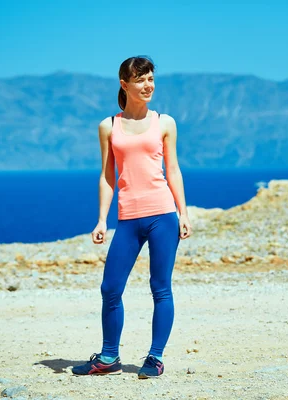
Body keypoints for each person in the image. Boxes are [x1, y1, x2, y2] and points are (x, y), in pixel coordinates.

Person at [72, 56, 192, 378]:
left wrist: (183, 212)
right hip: (128, 218)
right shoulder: (108, 126)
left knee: (160, 287)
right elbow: (107, 177)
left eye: (151, 77)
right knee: (110, 288)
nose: (148, 84)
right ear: (124, 84)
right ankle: (109, 356)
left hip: (162, 215)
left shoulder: (164, 122)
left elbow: (174, 170)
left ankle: (155, 358)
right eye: (140, 79)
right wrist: (101, 219)